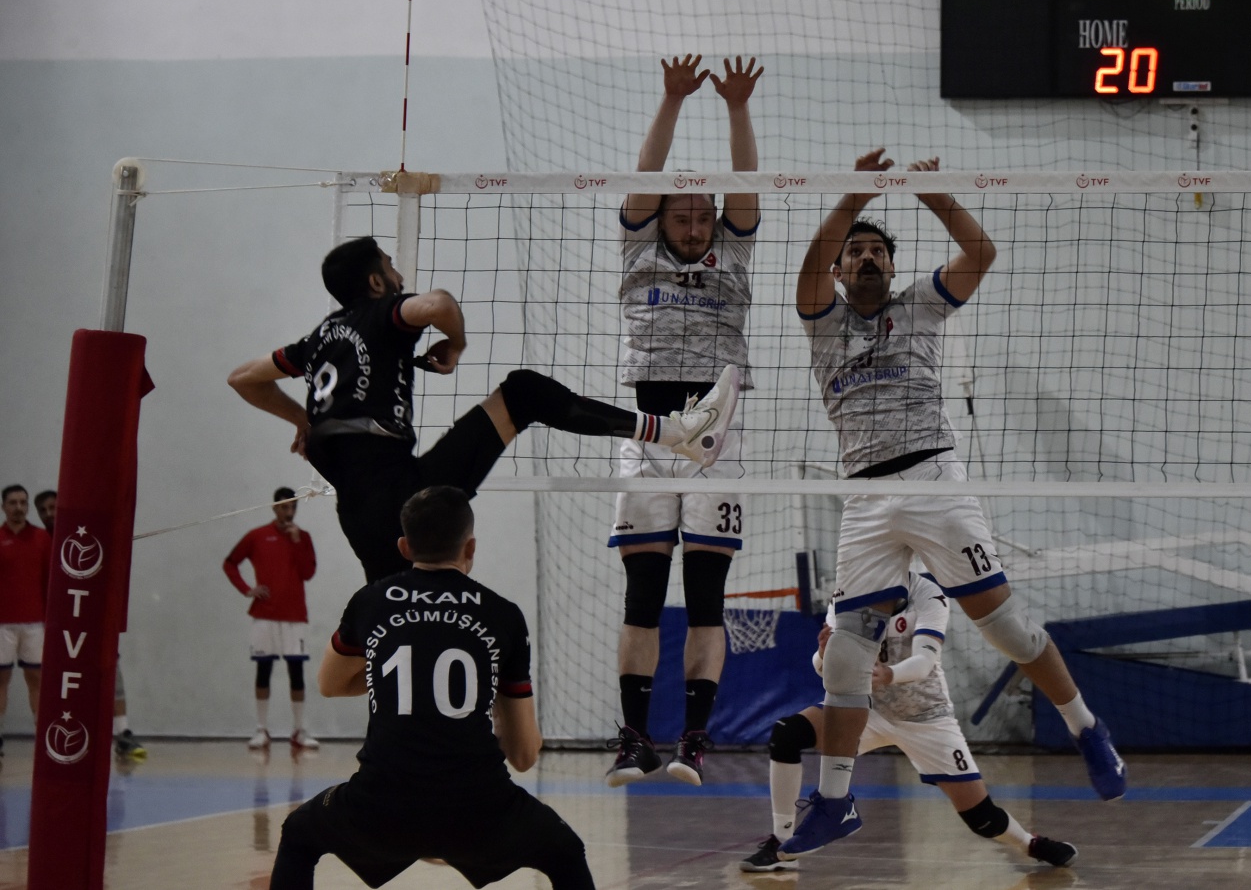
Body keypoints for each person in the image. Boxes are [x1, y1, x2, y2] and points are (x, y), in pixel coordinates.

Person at [781, 150, 1126, 858]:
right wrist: (854, 198)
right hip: (865, 495)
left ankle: (1087, 727)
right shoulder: (822, 318)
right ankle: (836, 800)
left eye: (879, 251)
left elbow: (981, 252)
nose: (867, 257)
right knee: (845, 656)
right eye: (856, 252)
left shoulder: (920, 305)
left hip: (934, 478)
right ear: (840, 270)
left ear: (893, 266)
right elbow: (810, 264)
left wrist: (934, 194)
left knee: (1008, 632)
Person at [228, 235, 738, 583]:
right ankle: (678, 434)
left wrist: (304, 420)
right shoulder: (383, 311)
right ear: (377, 283)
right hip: (404, 496)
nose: (398, 273)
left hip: (360, 515)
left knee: (390, 627)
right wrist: (455, 343)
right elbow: (439, 304)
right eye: (390, 265)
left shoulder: (317, 339)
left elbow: (243, 378)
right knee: (524, 393)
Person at [269, 486, 592, 890]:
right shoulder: (503, 615)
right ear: (470, 547)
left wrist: (401, 676)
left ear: (404, 547)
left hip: (380, 807)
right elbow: (524, 756)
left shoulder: (370, 602)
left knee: (299, 834)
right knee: (564, 851)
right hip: (479, 809)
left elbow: (329, 684)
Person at [606, 54, 763, 788]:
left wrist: (737, 107)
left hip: (715, 437)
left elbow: (748, 184)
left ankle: (695, 740)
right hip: (646, 431)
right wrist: (671, 100)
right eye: (682, 214)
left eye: (704, 215)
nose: (696, 224)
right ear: (661, 217)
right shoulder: (639, 247)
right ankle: (633, 738)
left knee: (706, 598)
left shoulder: (734, 250)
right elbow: (646, 177)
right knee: (642, 596)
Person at [741, 570, 1078, 872]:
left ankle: (1030, 843)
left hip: (926, 717)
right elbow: (822, 667)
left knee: (981, 818)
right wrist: (824, 655)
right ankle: (781, 843)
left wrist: (888, 674)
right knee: (786, 734)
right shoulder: (846, 594)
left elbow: (924, 663)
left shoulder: (927, 593)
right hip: (867, 710)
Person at [39, 485, 148, 759]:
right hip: (59, 625)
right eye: (43, 510)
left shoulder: (86, 539)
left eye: (53, 508)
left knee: (110, 670)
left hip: (92, 618)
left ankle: (123, 733)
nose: (49, 514)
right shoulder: (41, 542)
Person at [223, 487, 321, 750]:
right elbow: (230, 563)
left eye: (293, 507)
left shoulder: (303, 537)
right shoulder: (257, 536)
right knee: (263, 670)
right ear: (275, 507)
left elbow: (307, 573)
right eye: (285, 507)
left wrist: (297, 542)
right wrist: (248, 590)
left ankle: (299, 731)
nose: (289, 512)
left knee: (296, 672)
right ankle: (261, 730)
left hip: (295, 616)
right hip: (264, 614)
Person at [0, 483, 50, 755]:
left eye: (23, 502)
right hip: (2, 625)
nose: (18, 508)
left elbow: (51, 581)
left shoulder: (42, 538)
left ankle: (42, 738)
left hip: (35, 623)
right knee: (1, 679)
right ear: (3, 507)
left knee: (36, 679)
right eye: (13, 503)